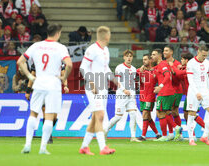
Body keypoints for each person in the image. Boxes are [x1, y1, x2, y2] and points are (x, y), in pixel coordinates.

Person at [18, 24, 72, 154]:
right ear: (58, 34)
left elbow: (20, 61)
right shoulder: (60, 47)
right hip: (53, 85)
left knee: (33, 114)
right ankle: (42, 148)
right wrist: (64, 77)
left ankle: (28, 145)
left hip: (39, 83)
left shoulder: (36, 46)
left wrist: (30, 75)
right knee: (49, 116)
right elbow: (69, 64)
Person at [79, 26, 116, 155]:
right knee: (100, 115)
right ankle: (103, 147)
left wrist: (116, 82)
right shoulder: (92, 49)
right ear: (106, 36)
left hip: (103, 86)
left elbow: (106, 69)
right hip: (93, 87)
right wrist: (91, 82)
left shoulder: (105, 50)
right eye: (110, 33)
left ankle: (84, 146)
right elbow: (83, 67)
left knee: (96, 117)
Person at [25, 63, 69, 144]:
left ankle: (47, 131)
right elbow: (32, 75)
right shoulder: (37, 60)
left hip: (54, 90)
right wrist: (28, 90)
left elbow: (63, 74)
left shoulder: (58, 60)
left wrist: (65, 85)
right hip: (41, 89)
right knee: (45, 111)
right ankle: (47, 136)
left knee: (54, 117)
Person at [105, 50, 140, 142]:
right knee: (118, 117)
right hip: (121, 94)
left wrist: (133, 93)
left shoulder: (134, 69)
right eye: (127, 56)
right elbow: (118, 81)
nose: (129, 58)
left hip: (131, 95)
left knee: (133, 114)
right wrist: (124, 90)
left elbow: (132, 83)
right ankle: (105, 130)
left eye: (130, 56)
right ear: (124, 57)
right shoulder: (119, 67)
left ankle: (133, 137)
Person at [168, 53, 205, 141]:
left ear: (187, 60)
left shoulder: (190, 68)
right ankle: (194, 135)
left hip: (194, 94)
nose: (181, 61)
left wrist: (172, 66)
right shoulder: (188, 67)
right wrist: (181, 67)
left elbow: (179, 74)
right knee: (187, 115)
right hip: (190, 94)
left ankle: (206, 129)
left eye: (182, 59)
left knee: (190, 115)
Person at [186, 45, 209, 146]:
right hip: (193, 91)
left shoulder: (207, 62)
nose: (204, 57)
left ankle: (205, 136)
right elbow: (190, 80)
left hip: (204, 91)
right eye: (203, 55)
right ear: (198, 52)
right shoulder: (191, 63)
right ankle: (191, 139)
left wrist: (207, 91)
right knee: (191, 114)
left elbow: (206, 77)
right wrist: (196, 92)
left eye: (206, 55)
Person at [151, 49, 182, 141]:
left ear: (159, 55)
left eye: (154, 54)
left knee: (160, 113)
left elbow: (167, 76)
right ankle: (174, 130)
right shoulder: (162, 64)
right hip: (168, 92)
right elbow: (155, 70)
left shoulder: (163, 64)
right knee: (166, 112)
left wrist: (160, 86)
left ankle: (167, 134)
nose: (152, 56)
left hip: (165, 92)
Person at [137, 54, 161, 141]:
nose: (144, 61)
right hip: (142, 96)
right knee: (148, 117)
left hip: (150, 96)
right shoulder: (140, 70)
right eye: (143, 60)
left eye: (146, 59)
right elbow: (131, 74)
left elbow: (161, 83)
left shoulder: (155, 71)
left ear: (150, 60)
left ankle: (143, 136)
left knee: (145, 114)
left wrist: (159, 94)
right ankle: (157, 134)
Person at [164, 45, 183, 141]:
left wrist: (174, 70)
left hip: (175, 90)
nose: (164, 52)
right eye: (164, 50)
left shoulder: (177, 63)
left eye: (166, 50)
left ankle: (173, 132)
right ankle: (178, 134)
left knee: (167, 111)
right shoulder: (163, 63)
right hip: (170, 90)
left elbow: (180, 77)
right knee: (174, 112)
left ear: (171, 52)